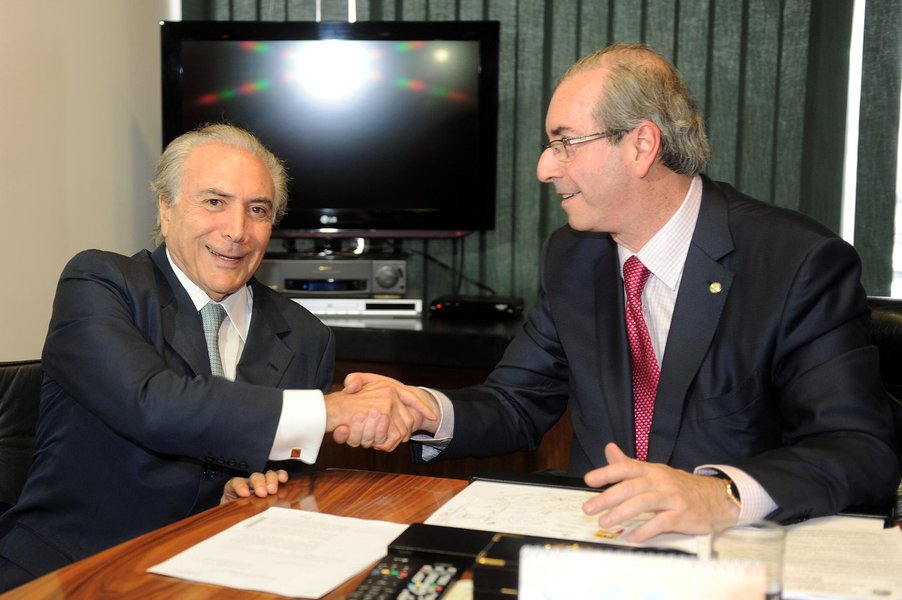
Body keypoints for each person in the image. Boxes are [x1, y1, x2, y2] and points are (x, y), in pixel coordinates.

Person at [344, 43, 901, 541]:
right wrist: (423, 409)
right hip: (598, 543)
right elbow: (517, 402)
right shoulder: (573, 256)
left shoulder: (796, 263)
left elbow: (859, 449)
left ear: (641, 146)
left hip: (735, 552)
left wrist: (722, 494)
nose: (543, 168)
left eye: (565, 143)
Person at [0, 123, 428, 590]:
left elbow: (288, 484)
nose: (237, 230)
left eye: (258, 210)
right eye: (214, 202)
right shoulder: (101, 284)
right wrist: (331, 408)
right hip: (70, 571)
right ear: (166, 208)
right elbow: (154, 405)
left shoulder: (307, 335)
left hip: (216, 575)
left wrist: (249, 494)